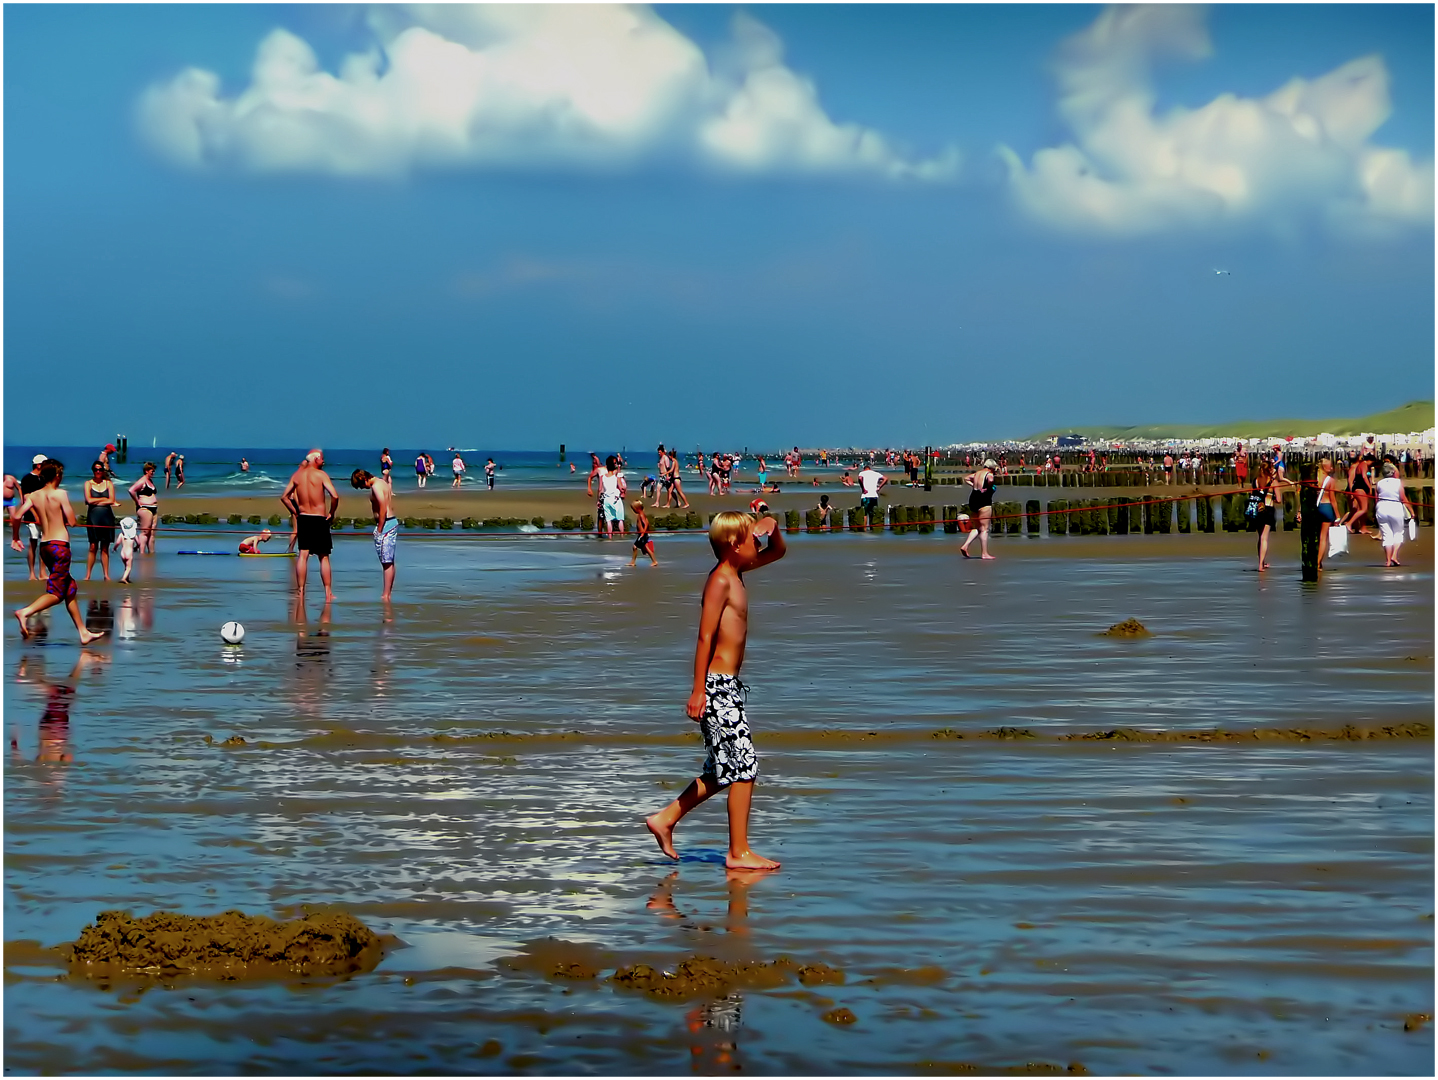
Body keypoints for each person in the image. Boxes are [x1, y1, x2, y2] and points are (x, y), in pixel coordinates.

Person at [645, 511, 786, 870]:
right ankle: (738, 852)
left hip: (730, 687)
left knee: (724, 768)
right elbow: (704, 636)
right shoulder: (720, 581)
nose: (758, 544)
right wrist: (697, 691)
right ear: (734, 545)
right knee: (744, 766)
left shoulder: (737, 571)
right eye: (752, 539)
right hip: (715, 687)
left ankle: (665, 819)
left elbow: (778, 553)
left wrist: (771, 526)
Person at [12, 460, 106, 644]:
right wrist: (70, 518)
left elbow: (16, 515)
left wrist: (15, 537)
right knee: (56, 593)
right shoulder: (61, 494)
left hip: (45, 547)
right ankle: (25, 612)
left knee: (70, 588)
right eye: (61, 475)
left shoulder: (33, 495)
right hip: (60, 547)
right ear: (57, 476)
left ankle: (83, 632)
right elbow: (71, 521)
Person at [280, 449, 340, 600]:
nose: (324, 461)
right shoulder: (321, 475)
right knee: (324, 557)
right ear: (316, 458)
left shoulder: (297, 476)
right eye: (322, 458)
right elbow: (335, 495)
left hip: (304, 517)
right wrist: (332, 512)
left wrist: (296, 512)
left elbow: (284, 497)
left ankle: (301, 591)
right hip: (319, 518)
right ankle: (328, 593)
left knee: (303, 555)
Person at [352, 469, 398, 600]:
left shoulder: (376, 486)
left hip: (386, 524)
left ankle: (386, 594)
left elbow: (383, 507)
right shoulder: (382, 482)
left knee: (386, 561)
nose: (362, 488)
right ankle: (387, 592)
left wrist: (379, 528)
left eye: (361, 486)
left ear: (364, 479)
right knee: (388, 560)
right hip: (390, 522)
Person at [82, 461, 119, 581]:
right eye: (96, 469)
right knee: (93, 546)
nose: (98, 472)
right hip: (93, 516)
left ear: (103, 471)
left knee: (105, 547)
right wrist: (104, 499)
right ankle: (88, 575)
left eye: (100, 469)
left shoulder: (108, 483)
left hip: (106, 516)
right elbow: (88, 500)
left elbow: (112, 500)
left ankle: (106, 575)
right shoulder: (88, 483)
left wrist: (98, 500)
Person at [1374, 462, 1414, 567]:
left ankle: (1387, 561)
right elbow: (1403, 498)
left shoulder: (1379, 483)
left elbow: (1376, 498)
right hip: (1395, 507)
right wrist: (1411, 512)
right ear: (1393, 472)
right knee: (1398, 533)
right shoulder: (1397, 482)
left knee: (1387, 536)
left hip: (1381, 508)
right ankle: (1394, 555)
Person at [14, 455, 47, 579]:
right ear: (38, 465)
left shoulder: (44, 478)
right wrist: (36, 515)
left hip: (44, 514)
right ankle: (32, 573)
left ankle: (42, 572)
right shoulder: (27, 478)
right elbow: (27, 498)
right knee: (33, 542)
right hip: (31, 515)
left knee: (44, 543)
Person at [960, 459, 998, 560]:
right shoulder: (989, 474)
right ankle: (984, 553)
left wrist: (974, 485)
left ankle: (965, 545)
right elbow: (990, 480)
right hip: (983, 499)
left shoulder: (977, 473)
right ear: (991, 468)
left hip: (973, 497)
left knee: (977, 527)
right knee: (985, 529)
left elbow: (967, 478)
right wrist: (989, 487)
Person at [127, 462, 160, 555]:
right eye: (152, 471)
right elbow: (131, 490)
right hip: (145, 508)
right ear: (146, 471)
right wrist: (137, 502)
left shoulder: (150, 481)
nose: (153, 473)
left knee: (152, 533)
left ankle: (151, 553)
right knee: (145, 532)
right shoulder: (142, 481)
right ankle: (142, 553)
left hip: (153, 508)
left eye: (154, 471)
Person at [1314, 458, 1339, 571]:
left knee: (1316, 536)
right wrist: (1337, 516)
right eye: (1330, 466)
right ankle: (1318, 562)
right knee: (1323, 537)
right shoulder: (1330, 480)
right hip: (1326, 506)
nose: (1332, 468)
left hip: (1316, 508)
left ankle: (1315, 560)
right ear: (1325, 468)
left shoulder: (1315, 479)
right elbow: (1333, 499)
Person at [599, 455, 626, 537]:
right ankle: (622, 535)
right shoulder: (616, 476)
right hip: (615, 499)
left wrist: (598, 501)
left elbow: (600, 490)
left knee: (608, 520)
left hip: (606, 499)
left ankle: (610, 537)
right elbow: (621, 487)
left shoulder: (602, 477)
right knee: (620, 519)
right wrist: (623, 490)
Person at [629, 500, 658, 567]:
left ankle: (654, 561)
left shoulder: (641, 515)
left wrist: (643, 532)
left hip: (642, 534)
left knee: (644, 547)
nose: (633, 511)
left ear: (637, 509)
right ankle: (633, 562)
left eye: (633, 509)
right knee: (635, 547)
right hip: (641, 534)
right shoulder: (641, 514)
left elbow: (646, 524)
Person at [858, 462, 886, 526]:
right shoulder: (876, 473)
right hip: (874, 496)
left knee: (865, 514)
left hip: (865, 496)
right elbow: (885, 478)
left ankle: (864, 528)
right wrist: (879, 487)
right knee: (873, 513)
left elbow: (860, 478)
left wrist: (863, 488)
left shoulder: (862, 473)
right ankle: (872, 528)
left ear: (864, 469)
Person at [113, 517, 138, 583]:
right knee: (129, 567)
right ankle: (123, 578)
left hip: (123, 553)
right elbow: (139, 543)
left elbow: (117, 543)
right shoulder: (134, 535)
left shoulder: (121, 535)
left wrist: (114, 548)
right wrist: (136, 547)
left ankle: (127, 578)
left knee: (126, 567)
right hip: (129, 553)